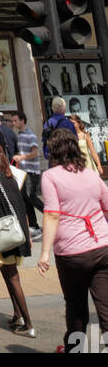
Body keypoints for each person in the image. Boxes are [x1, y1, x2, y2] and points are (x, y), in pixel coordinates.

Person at [37, 126, 108, 351]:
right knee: (106, 309)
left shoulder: (50, 177)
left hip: (72, 254)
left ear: (54, 152)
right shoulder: (91, 174)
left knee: (76, 309)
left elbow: (52, 214)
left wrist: (45, 253)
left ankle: (75, 349)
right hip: (102, 247)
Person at [0, 144, 34, 335]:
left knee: (12, 276)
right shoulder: (10, 176)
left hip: (6, 231)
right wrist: (28, 233)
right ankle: (17, 314)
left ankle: (28, 324)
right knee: (6, 270)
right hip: (19, 228)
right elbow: (20, 204)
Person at [11, 110, 43, 239]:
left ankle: (49, 213)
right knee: (25, 197)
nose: (13, 123)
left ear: (22, 120)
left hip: (32, 171)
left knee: (30, 196)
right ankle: (34, 226)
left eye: (15, 120)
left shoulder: (29, 134)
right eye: (12, 121)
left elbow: (35, 152)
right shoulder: (20, 134)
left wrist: (22, 157)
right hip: (24, 171)